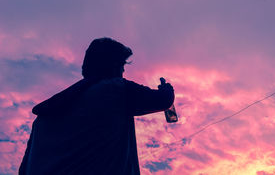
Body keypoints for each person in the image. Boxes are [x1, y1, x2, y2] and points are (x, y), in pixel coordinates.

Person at [19, 37, 175, 175]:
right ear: (113, 65)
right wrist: (166, 88)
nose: (123, 71)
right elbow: (164, 100)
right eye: (122, 66)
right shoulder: (115, 90)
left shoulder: (43, 118)